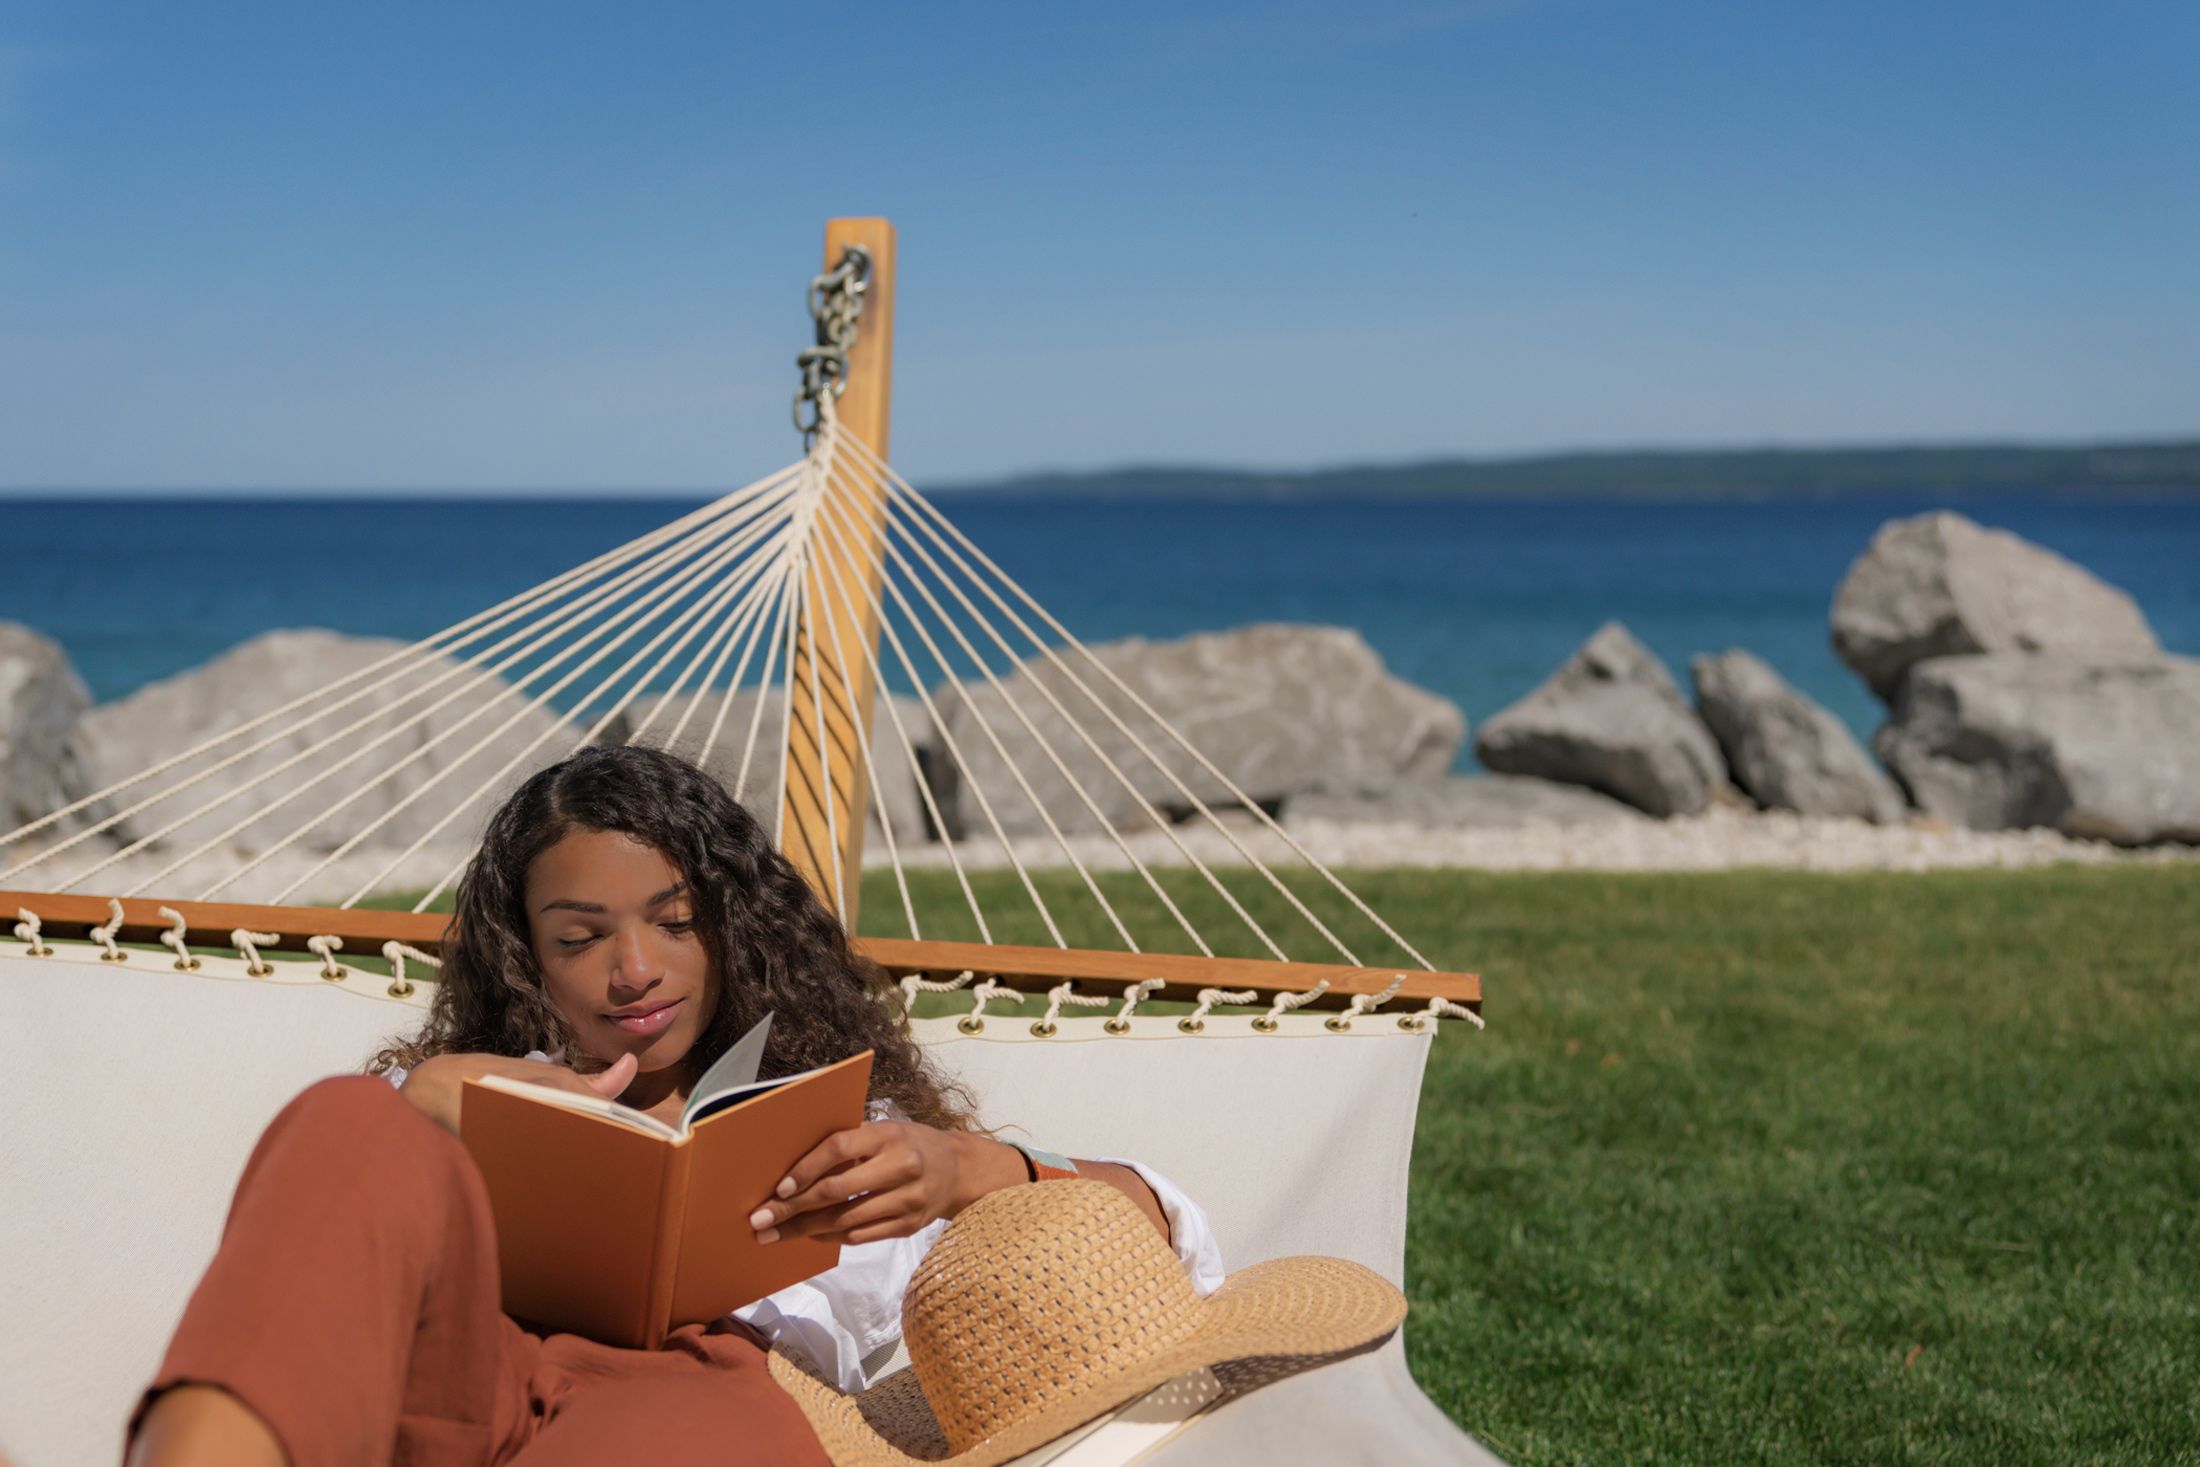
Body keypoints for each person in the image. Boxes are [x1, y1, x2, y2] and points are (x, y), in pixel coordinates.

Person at [125, 744, 1221, 1467]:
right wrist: (431, 1104)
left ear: (732, 928)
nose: (634, 970)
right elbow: (325, 1277)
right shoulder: (463, 1093)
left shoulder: (856, 1134)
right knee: (350, 1121)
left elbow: (1168, 1239)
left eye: (675, 920)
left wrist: (974, 1169)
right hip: (466, 1368)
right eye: (580, 938)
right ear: (528, 962)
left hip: (699, 1392)